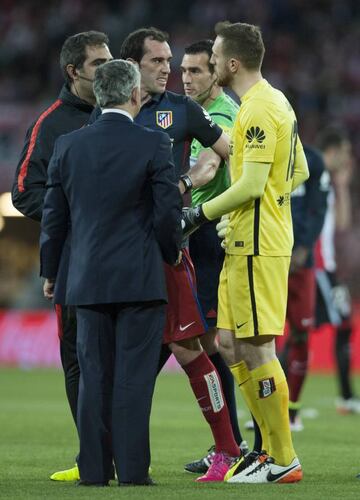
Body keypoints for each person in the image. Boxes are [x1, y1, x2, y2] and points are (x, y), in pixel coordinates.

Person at [40, 59, 183, 486]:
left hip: (84, 281)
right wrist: (171, 252)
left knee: (93, 378)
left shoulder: (68, 146)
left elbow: (54, 218)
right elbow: (166, 212)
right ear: (136, 94)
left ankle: (95, 472)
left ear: (99, 96)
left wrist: (51, 271)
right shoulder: (154, 144)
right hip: (140, 279)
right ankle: (134, 472)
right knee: (134, 380)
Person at [182, 21, 309, 484]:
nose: (212, 64)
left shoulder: (256, 110)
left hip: (258, 245)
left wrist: (198, 214)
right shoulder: (274, 102)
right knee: (232, 344)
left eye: (214, 57)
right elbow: (299, 170)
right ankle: (266, 451)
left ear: (232, 63)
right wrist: (269, 202)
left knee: (257, 346)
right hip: (243, 240)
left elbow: (255, 184)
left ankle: (283, 456)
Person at [113, 27, 241, 482]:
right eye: (158, 61)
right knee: (128, 361)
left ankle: (229, 449)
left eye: (171, 61)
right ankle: (116, 454)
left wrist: (190, 181)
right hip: (122, 255)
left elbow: (229, 155)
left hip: (169, 253)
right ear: (132, 65)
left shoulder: (182, 110)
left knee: (192, 350)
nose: (168, 70)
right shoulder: (110, 114)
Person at [11, 31, 113, 481]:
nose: (108, 70)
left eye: (111, 62)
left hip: (132, 258)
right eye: (98, 65)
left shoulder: (128, 112)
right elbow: (22, 193)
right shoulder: (51, 125)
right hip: (76, 261)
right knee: (78, 359)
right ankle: (93, 455)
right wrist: (75, 220)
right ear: (74, 72)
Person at [180, 39, 248, 474]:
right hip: (205, 234)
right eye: (183, 71)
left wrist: (183, 190)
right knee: (218, 343)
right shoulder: (198, 111)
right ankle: (235, 442)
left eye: (197, 72)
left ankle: (236, 443)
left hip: (211, 235)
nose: (186, 79)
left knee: (218, 344)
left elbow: (209, 160)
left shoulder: (221, 114)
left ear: (216, 73)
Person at [279, 145, 329, 430]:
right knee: (263, 338)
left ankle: (293, 412)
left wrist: (305, 246)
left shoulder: (312, 160)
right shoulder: (265, 153)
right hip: (270, 258)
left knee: (300, 333)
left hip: (300, 264)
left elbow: (319, 208)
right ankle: (266, 411)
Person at [314, 127, 359, 413]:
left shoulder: (328, 181)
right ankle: (281, 407)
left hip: (326, 267)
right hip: (316, 266)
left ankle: (345, 397)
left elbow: (341, 224)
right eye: (343, 153)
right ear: (331, 152)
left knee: (344, 324)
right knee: (299, 334)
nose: (347, 158)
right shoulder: (314, 176)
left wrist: (342, 185)